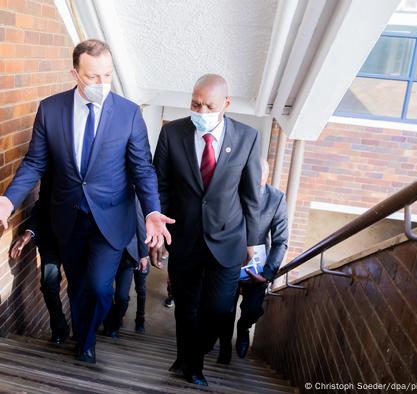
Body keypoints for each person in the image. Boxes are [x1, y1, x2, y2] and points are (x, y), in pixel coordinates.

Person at [0, 39, 174, 364]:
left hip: (111, 220)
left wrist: (153, 209)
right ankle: (81, 336)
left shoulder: (128, 114)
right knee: (77, 284)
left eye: (107, 76)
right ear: (75, 73)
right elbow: (35, 163)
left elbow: (142, 169)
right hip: (67, 219)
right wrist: (10, 200)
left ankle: (85, 338)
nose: (102, 84)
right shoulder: (51, 109)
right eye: (93, 76)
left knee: (100, 288)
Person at [150, 74, 264, 386]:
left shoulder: (247, 137)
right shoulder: (172, 133)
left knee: (217, 309)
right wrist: (158, 231)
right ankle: (192, 365)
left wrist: (253, 241)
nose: (200, 111)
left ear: (226, 104)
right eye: (195, 104)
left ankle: (190, 355)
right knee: (186, 307)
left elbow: (251, 195)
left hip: (228, 239)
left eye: (208, 105)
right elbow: (160, 186)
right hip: (185, 236)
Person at [216, 159, 288, 364]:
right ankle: (224, 351)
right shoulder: (231, 191)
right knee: (224, 309)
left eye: (259, 182)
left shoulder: (276, 199)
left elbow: (281, 240)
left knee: (253, 309)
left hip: (257, 268)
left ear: (266, 178)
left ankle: (244, 327)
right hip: (228, 260)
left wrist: (267, 274)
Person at [9, 172, 70, 345]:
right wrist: (29, 233)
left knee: (79, 287)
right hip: (50, 238)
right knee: (49, 284)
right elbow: (41, 205)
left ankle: (82, 334)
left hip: (76, 240)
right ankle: (59, 328)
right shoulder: (52, 169)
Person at [102, 200, 149, 337]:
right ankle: (109, 323)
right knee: (103, 292)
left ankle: (115, 324)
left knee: (122, 297)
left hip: (127, 255)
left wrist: (143, 254)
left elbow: (140, 225)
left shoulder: (132, 197)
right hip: (106, 253)